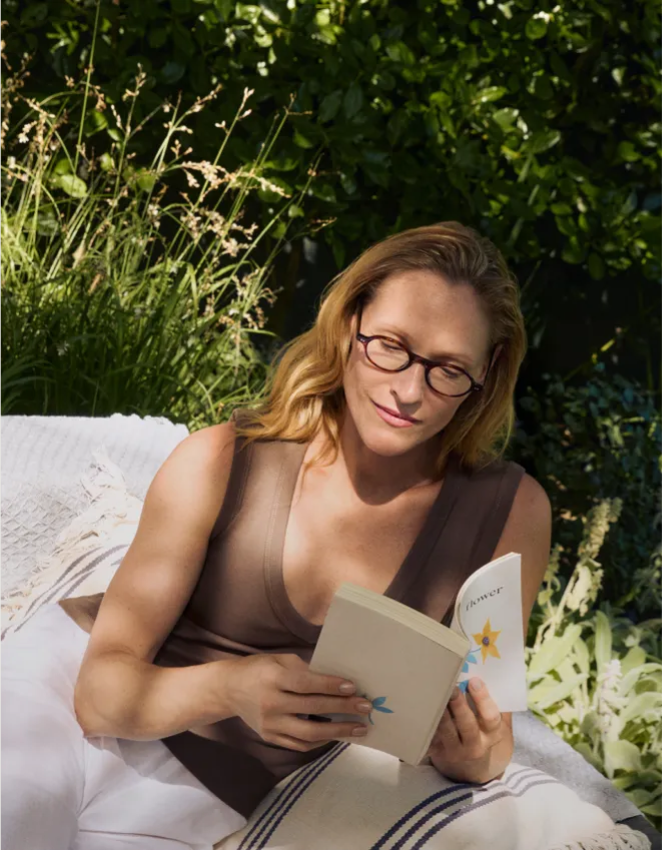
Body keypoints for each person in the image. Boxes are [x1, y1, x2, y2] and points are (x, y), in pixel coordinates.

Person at [2, 221, 552, 850]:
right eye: (389, 346)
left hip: (217, 792)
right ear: (348, 327)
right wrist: (231, 687)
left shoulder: (509, 512)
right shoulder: (220, 460)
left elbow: (493, 733)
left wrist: (474, 755)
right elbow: (99, 695)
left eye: (449, 369)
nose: (408, 391)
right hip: (67, 698)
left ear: (486, 374)